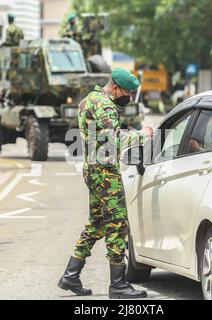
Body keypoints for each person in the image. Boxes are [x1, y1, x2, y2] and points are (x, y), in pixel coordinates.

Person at [58, 68, 154, 299]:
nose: (129, 98)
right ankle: (118, 285)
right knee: (118, 224)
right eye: (128, 93)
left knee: (97, 223)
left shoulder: (90, 99)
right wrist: (143, 135)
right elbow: (115, 140)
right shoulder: (105, 106)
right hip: (104, 172)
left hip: (92, 168)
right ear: (115, 87)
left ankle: (71, 275)